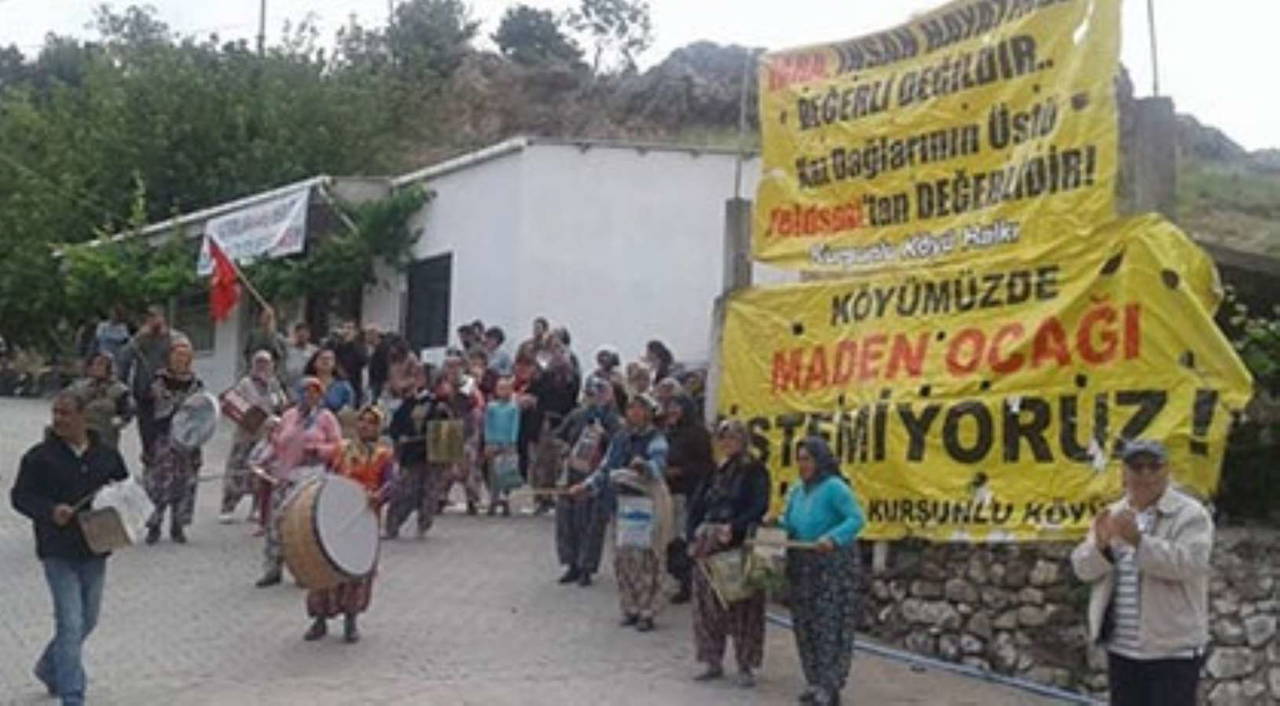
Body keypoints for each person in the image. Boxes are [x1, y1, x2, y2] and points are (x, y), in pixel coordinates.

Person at [1071, 440, 1213, 706]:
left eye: (1153, 466)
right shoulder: (1111, 514)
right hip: (1122, 650)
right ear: (1124, 473)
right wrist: (1100, 547)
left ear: (1166, 470)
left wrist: (1139, 542)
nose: (1145, 474)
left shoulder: (1191, 515)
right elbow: (1082, 570)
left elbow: (1190, 564)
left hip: (1172, 651)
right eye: (1137, 467)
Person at [11, 391, 129, 706]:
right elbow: (20, 497)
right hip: (57, 550)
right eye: (55, 412)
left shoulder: (106, 455)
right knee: (70, 622)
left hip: (96, 549)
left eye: (65, 413)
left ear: (83, 416)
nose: (58, 419)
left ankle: (49, 667)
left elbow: (124, 488)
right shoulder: (39, 457)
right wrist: (51, 511)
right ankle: (73, 695)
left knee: (88, 620)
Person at [570, 394, 672, 632]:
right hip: (622, 505)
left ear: (649, 413)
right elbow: (606, 468)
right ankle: (630, 607)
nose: (634, 413)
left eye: (640, 408)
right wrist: (586, 486)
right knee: (623, 559)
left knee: (647, 560)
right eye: (631, 408)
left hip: (647, 505)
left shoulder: (656, 439)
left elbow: (658, 465)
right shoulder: (620, 438)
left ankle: (648, 610)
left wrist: (644, 467)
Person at [780, 437, 865, 706]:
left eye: (807, 459)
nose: (802, 465)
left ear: (820, 460)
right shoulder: (796, 491)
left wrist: (833, 538)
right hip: (802, 564)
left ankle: (830, 685)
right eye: (799, 460)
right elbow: (789, 522)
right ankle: (814, 680)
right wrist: (775, 525)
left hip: (832, 565)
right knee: (804, 624)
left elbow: (856, 519)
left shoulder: (834, 488)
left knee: (829, 624)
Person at [687, 419, 771, 688]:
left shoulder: (755, 470)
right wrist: (692, 534)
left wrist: (735, 527)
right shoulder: (716, 470)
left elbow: (759, 505)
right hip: (708, 542)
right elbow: (698, 504)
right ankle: (712, 660)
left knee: (743, 607)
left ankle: (745, 664)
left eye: (733, 437)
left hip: (737, 543)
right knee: (706, 605)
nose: (727, 443)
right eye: (723, 438)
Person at [304, 405, 394, 644]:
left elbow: (391, 483)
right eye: (362, 421)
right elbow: (327, 477)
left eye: (371, 422)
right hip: (335, 516)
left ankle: (351, 620)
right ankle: (319, 619)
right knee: (325, 566)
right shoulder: (341, 450)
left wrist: (379, 496)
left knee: (356, 570)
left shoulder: (384, 455)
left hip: (364, 519)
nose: (365, 426)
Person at [255, 377, 343, 587]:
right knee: (276, 523)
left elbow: (338, 446)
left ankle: (304, 571)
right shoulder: (289, 416)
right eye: (306, 392)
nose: (310, 396)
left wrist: (319, 450)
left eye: (315, 392)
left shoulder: (326, 418)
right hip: (286, 476)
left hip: (312, 479)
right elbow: (278, 444)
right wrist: (263, 459)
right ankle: (272, 569)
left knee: (304, 528)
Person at [554, 377, 621, 586]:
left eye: (599, 394)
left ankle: (586, 567)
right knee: (567, 520)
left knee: (591, 523)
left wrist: (604, 436)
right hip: (572, 473)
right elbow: (558, 435)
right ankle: (571, 563)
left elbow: (618, 447)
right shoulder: (576, 415)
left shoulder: (613, 420)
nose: (594, 399)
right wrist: (563, 448)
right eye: (591, 394)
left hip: (596, 477)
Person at [140, 340, 204, 545]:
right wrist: (146, 443)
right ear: (169, 357)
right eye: (177, 354)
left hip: (187, 440)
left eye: (185, 356)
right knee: (156, 484)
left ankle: (178, 526)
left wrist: (198, 443)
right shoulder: (156, 382)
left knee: (184, 483)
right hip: (162, 438)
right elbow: (145, 415)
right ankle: (154, 525)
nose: (180, 359)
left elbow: (204, 416)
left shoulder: (197, 385)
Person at [220, 350, 288, 524]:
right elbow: (232, 405)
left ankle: (256, 508)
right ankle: (228, 507)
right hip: (245, 436)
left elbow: (282, 404)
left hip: (266, 438)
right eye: (259, 362)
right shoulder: (245, 383)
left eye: (266, 363)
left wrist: (277, 418)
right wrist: (257, 419)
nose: (263, 366)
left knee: (260, 473)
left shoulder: (274, 384)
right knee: (237, 471)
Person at [386, 364, 449, 539]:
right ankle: (393, 525)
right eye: (415, 376)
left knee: (430, 492)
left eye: (420, 376)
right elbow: (396, 425)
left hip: (432, 456)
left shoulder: (439, 404)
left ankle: (424, 525)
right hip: (411, 455)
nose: (416, 380)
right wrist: (399, 437)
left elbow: (446, 430)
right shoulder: (408, 402)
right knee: (405, 491)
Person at [116, 305, 186, 461]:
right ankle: (150, 464)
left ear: (163, 318)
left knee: (169, 437)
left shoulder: (175, 338)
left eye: (155, 316)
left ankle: (166, 466)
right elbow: (123, 359)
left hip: (169, 395)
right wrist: (137, 339)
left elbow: (185, 359)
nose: (152, 321)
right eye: (149, 318)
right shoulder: (141, 340)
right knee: (148, 439)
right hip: (145, 397)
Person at [663, 395, 714, 604]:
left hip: (689, 494)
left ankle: (687, 584)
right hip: (669, 492)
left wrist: (681, 471)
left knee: (683, 539)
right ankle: (678, 578)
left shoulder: (698, 434)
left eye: (677, 408)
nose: (672, 411)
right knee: (670, 539)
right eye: (670, 407)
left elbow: (705, 466)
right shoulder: (669, 432)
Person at [527, 341, 581, 514]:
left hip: (563, 422)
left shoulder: (572, 377)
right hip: (545, 421)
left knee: (557, 462)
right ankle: (540, 498)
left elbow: (573, 399)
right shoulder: (544, 376)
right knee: (541, 461)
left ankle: (550, 496)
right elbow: (533, 393)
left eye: (561, 352)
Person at [67, 352, 133, 451]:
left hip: (105, 434)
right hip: (82, 432)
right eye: (94, 364)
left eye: (101, 364)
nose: (96, 368)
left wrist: (119, 422)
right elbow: (66, 401)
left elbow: (128, 411)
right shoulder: (79, 387)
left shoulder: (119, 390)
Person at [483, 377, 521, 516]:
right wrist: (488, 441)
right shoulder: (491, 407)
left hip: (508, 444)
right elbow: (487, 424)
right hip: (494, 442)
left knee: (506, 472)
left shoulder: (513, 407)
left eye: (506, 388)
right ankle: (493, 500)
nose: (503, 391)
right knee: (493, 473)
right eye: (500, 388)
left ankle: (505, 500)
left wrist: (512, 441)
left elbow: (515, 425)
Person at [305, 347, 357, 414]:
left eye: (330, 359)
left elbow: (349, 409)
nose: (326, 361)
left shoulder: (344, 386)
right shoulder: (305, 383)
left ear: (335, 364)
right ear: (314, 363)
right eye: (322, 358)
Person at [332, 321, 369, 406]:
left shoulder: (360, 346)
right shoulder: (337, 345)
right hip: (339, 383)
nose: (347, 331)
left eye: (349, 328)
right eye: (344, 328)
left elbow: (363, 361)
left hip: (355, 384)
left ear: (355, 332)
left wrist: (351, 342)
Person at [243, 307, 287, 375]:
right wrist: (251, 364)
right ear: (260, 318)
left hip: (270, 372)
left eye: (269, 317)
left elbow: (281, 356)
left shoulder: (277, 337)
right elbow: (246, 352)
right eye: (265, 316)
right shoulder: (253, 334)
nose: (267, 319)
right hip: (253, 371)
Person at [283, 322, 318, 400]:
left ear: (308, 335)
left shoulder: (314, 351)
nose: (302, 337)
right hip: (289, 388)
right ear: (295, 335)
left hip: (309, 388)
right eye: (299, 335)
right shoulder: (287, 350)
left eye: (304, 334)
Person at [366, 326, 390, 404]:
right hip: (375, 383)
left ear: (374, 335)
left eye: (368, 334)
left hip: (382, 384)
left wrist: (386, 382)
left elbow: (388, 365)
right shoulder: (373, 349)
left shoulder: (385, 348)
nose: (366, 337)